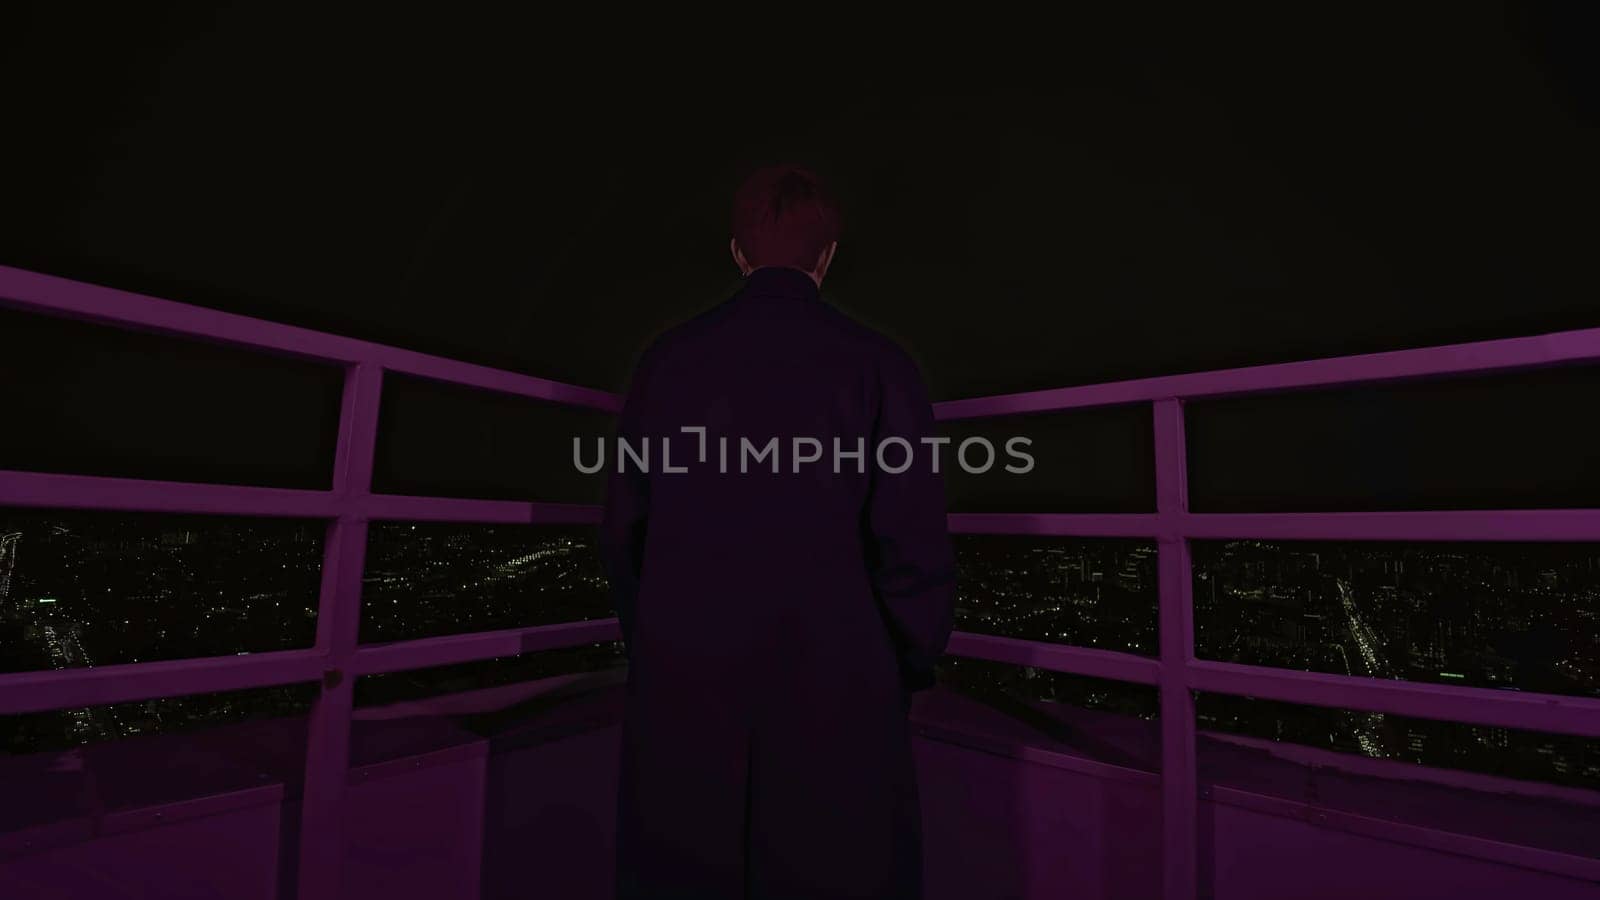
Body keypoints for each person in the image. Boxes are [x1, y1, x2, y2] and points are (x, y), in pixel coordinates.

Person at [600, 164, 956, 900]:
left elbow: (626, 528)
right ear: (827, 255)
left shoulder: (664, 362)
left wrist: (658, 640)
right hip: (839, 682)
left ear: (737, 252)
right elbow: (912, 543)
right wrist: (904, 663)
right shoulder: (881, 366)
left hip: (684, 676)